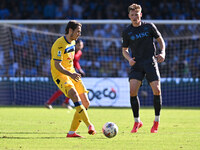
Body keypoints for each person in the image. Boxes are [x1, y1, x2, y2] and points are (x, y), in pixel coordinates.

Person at [122, 3, 165, 133]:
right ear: (129, 16)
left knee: (157, 90)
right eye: (132, 15)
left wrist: (162, 52)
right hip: (137, 65)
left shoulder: (149, 26)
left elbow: (160, 40)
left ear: (141, 14)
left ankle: (156, 122)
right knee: (132, 92)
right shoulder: (127, 32)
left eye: (137, 14)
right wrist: (129, 59)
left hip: (150, 62)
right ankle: (137, 122)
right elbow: (124, 50)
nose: (135, 17)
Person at [50, 20, 96, 137]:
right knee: (74, 95)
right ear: (70, 30)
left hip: (72, 73)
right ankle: (89, 125)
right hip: (60, 75)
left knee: (85, 103)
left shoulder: (73, 42)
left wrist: (74, 72)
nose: (79, 34)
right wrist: (71, 75)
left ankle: (71, 132)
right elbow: (57, 65)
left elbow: (70, 61)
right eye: (78, 31)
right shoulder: (59, 44)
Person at [45, 39, 85, 109]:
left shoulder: (79, 53)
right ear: (75, 45)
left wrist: (79, 69)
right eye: (79, 45)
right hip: (64, 70)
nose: (80, 46)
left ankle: (63, 102)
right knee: (63, 89)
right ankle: (51, 103)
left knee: (72, 87)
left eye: (81, 45)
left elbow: (76, 62)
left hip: (71, 71)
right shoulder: (70, 50)